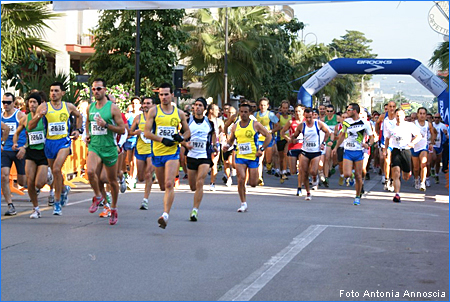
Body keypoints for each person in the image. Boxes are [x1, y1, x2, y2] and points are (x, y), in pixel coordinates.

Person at [28, 82, 82, 215]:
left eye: (56, 91)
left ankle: (57, 202)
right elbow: (30, 125)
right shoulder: (44, 106)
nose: (53, 93)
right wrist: (40, 115)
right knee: (55, 172)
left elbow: (79, 116)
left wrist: (77, 130)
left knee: (57, 169)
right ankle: (63, 189)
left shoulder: (68, 106)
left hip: (63, 142)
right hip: (49, 143)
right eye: (51, 90)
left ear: (62, 93)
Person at [144, 83, 191, 229]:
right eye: (161, 94)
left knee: (170, 183)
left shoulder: (179, 113)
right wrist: (162, 139)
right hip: (157, 153)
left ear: (172, 95)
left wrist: (180, 137)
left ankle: (165, 215)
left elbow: (188, 132)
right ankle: (165, 208)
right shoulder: (154, 111)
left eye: (166, 94)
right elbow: (147, 133)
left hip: (172, 153)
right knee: (163, 186)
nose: (163, 97)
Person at [85, 79, 125, 225]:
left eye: (99, 89)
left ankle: (113, 208)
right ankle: (98, 196)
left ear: (105, 90)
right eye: (94, 89)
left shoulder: (112, 108)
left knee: (112, 181)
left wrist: (106, 125)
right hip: (95, 146)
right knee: (90, 172)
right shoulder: (90, 107)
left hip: (109, 148)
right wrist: (87, 135)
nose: (96, 92)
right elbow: (88, 123)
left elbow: (122, 129)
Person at [223, 103, 272, 212]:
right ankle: (243, 203)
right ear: (239, 113)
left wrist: (262, 149)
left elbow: (268, 136)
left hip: (253, 157)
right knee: (241, 179)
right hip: (240, 156)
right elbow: (231, 140)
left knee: (253, 183)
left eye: (246, 112)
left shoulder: (255, 125)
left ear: (250, 113)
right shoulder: (235, 126)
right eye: (241, 112)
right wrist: (227, 146)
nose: (243, 114)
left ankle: (247, 192)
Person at [12, 93, 53, 218]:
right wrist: (15, 143)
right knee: (29, 183)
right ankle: (35, 209)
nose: (32, 104)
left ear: (39, 104)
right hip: (30, 152)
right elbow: (17, 132)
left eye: (35, 102)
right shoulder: (25, 118)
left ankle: (49, 178)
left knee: (39, 184)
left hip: (43, 152)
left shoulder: (45, 118)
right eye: (30, 102)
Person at [183, 97, 217, 221]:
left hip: (204, 156)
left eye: (200, 105)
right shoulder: (188, 121)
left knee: (200, 181)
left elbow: (213, 135)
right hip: (191, 156)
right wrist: (185, 144)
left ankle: (195, 210)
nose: (197, 107)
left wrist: (214, 146)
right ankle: (195, 205)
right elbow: (181, 137)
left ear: (204, 108)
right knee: (193, 186)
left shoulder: (209, 123)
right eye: (196, 105)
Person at [333, 103, 373, 206]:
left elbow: (372, 137)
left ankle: (357, 196)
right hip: (348, 151)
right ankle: (351, 176)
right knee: (347, 174)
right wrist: (336, 147)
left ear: (355, 111)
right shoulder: (346, 122)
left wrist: (368, 144)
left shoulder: (365, 123)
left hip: (359, 151)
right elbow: (342, 135)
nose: (347, 112)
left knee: (359, 176)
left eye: (349, 110)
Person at [291, 108, 330, 200]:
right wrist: (294, 140)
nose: (308, 119)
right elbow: (294, 136)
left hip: (315, 152)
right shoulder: (302, 126)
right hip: (305, 151)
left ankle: (314, 177)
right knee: (303, 172)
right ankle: (308, 192)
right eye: (307, 117)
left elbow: (327, 132)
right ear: (304, 116)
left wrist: (323, 143)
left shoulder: (318, 123)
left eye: (310, 117)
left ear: (313, 116)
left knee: (313, 171)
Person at [384, 109, 422, 203]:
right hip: (396, 150)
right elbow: (387, 139)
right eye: (397, 115)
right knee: (396, 173)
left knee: (405, 177)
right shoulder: (391, 127)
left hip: (406, 150)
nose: (398, 117)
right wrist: (386, 149)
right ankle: (397, 194)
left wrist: (412, 143)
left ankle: (408, 172)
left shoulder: (409, 125)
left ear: (404, 117)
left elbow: (419, 136)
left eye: (400, 115)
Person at [1, 92, 27, 216]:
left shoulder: (20, 115)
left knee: (22, 182)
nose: (5, 105)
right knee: (4, 176)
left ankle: (46, 179)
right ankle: (10, 205)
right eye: (3, 102)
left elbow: (31, 131)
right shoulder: (1, 117)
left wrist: (24, 147)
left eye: (8, 102)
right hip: (5, 150)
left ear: (13, 103)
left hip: (18, 150)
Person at [129, 97, 154, 210]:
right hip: (140, 149)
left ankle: (145, 200)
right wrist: (136, 132)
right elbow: (129, 132)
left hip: (152, 150)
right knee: (141, 177)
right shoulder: (138, 118)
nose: (146, 105)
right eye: (144, 103)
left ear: (153, 105)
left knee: (148, 174)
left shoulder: (156, 118)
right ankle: (150, 176)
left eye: (148, 103)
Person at [254, 97, 279, 185]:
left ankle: (269, 164)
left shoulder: (270, 115)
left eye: (264, 105)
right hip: (259, 140)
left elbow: (278, 126)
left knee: (268, 159)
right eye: (261, 105)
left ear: (267, 106)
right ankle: (259, 177)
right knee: (260, 159)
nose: (262, 107)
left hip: (268, 139)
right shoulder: (255, 114)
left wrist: (270, 132)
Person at [411, 107, 436, 191]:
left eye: (423, 113)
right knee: (416, 168)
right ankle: (416, 179)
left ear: (426, 115)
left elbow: (433, 133)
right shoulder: (414, 123)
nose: (422, 115)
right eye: (420, 113)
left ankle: (423, 182)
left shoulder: (428, 124)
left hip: (423, 146)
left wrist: (432, 143)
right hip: (414, 147)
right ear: (417, 114)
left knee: (424, 163)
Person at [280, 104, 304, 184]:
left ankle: (301, 184)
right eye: (296, 111)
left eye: (299, 111)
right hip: (293, 147)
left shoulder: (306, 121)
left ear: (303, 111)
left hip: (303, 147)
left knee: (302, 166)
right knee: (293, 171)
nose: (298, 113)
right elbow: (282, 132)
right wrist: (289, 139)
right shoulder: (291, 122)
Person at [377, 101, 397, 191]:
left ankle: (392, 180)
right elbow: (377, 124)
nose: (392, 108)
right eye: (390, 106)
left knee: (393, 162)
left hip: (396, 143)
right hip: (386, 142)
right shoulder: (383, 117)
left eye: (393, 106)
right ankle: (386, 179)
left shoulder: (398, 117)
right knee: (386, 160)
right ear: (387, 108)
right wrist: (377, 134)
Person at [207, 103, 224, 191]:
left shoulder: (219, 121)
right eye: (216, 110)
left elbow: (224, 132)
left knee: (214, 163)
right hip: (205, 144)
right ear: (211, 111)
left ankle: (212, 183)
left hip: (215, 143)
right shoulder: (205, 120)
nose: (218, 112)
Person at [275, 100, 291, 182]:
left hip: (288, 138)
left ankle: (284, 171)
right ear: (281, 108)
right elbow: (276, 126)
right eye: (283, 108)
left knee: (285, 154)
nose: (285, 109)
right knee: (281, 158)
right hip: (280, 138)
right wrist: (282, 128)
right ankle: (281, 172)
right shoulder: (278, 116)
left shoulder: (290, 117)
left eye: (286, 108)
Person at [322, 104, 338, 187]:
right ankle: (326, 177)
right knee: (327, 158)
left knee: (334, 158)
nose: (329, 113)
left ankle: (332, 168)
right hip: (328, 141)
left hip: (336, 140)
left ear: (333, 112)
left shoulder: (337, 118)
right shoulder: (323, 119)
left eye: (331, 111)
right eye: (327, 111)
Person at [430, 113, 448, 184]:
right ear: (433, 118)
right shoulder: (431, 125)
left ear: (440, 119)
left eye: (438, 118)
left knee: (438, 162)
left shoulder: (443, 126)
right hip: (433, 145)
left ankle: (437, 175)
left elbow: (447, 137)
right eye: (435, 117)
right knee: (434, 158)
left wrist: (446, 134)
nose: (437, 119)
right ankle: (432, 168)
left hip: (440, 145)